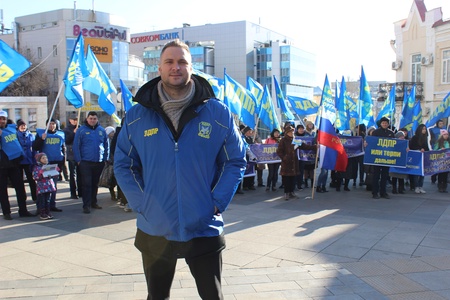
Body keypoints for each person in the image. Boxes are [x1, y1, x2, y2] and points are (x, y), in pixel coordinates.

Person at [113, 39, 246, 300]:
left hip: (204, 226)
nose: (176, 67)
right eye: (170, 62)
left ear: (191, 68)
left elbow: (235, 160)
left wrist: (217, 201)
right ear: (159, 69)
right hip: (155, 227)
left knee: (212, 296)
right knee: (157, 297)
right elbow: (124, 164)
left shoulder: (218, 113)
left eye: (182, 62)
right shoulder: (137, 116)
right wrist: (143, 203)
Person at [0, 111, 35, 220]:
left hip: (14, 164)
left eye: (4, 119)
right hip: (1, 166)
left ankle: (23, 210)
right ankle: (6, 212)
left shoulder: (11, 130)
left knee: (20, 188)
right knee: (2, 191)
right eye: (0, 119)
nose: (2, 121)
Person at [73, 111, 108, 214]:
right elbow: (76, 146)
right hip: (85, 162)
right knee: (87, 184)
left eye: (94, 119)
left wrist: (105, 158)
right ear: (87, 119)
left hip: (99, 162)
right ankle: (86, 205)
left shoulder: (101, 130)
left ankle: (93, 202)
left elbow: (106, 145)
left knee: (95, 183)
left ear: (97, 119)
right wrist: (78, 160)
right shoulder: (81, 130)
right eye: (91, 118)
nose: (92, 120)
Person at [33, 118, 65, 212]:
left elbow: (63, 148)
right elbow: (35, 147)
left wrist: (62, 162)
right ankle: (40, 207)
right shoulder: (41, 134)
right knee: (43, 186)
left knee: (53, 185)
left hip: (55, 162)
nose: (52, 125)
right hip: (45, 163)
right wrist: (41, 139)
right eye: (50, 124)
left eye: (53, 124)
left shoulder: (60, 134)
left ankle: (52, 205)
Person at [277, 125, 316, 200]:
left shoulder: (295, 140)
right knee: (286, 179)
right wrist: (285, 158)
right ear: (287, 133)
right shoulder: (283, 140)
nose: (292, 133)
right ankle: (286, 193)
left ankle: (292, 192)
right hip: (286, 163)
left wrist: (314, 147)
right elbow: (279, 151)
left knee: (293, 179)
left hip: (294, 163)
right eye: (290, 132)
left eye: (292, 131)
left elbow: (305, 146)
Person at [370, 117, 394, 199]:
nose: (385, 124)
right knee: (376, 176)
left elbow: (396, 144)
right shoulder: (376, 132)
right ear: (380, 124)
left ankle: (383, 192)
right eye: (383, 123)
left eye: (386, 123)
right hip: (377, 158)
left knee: (385, 176)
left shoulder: (391, 133)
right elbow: (371, 142)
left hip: (387, 158)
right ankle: (375, 192)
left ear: (388, 124)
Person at [16, 119, 37, 202]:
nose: (23, 127)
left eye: (24, 125)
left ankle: (35, 197)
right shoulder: (16, 136)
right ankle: (22, 198)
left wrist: (35, 158)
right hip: (19, 160)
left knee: (31, 179)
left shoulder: (31, 135)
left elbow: (34, 147)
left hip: (29, 159)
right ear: (18, 127)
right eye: (21, 126)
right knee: (20, 181)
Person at [33, 153, 58, 220]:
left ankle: (48, 212)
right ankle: (42, 213)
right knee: (42, 201)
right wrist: (40, 174)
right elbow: (35, 177)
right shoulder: (37, 168)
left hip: (49, 187)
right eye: (43, 158)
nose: (45, 159)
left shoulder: (49, 166)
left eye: (46, 158)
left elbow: (53, 175)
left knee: (48, 200)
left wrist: (55, 171)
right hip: (42, 188)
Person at [63, 113, 82, 199]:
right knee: (72, 175)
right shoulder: (66, 130)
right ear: (70, 120)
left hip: (81, 154)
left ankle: (81, 191)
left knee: (80, 174)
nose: (75, 121)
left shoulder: (81, 128)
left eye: (76, 120)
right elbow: (67, 141)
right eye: (74, 120)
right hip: (71, 154)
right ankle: (73, 192)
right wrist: (74, 133)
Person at [409, 124, 429, 194]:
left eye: (425, 129)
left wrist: (426, 150)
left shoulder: (425, 138)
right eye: (423, 129)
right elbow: (411, 146)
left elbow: (427, 147)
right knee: (416, 173)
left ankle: (421, 186)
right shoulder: (415, 137)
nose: (424, 130)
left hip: (423, 157)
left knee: (422, 173)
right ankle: (416, 186)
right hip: (416, 157)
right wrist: (419, 149)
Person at [104, 126, 117, 201]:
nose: (113, 133)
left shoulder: (114, 140)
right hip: (109, 162)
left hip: (114, 161)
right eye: (112, 132)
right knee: (110, 178)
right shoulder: (106, 140)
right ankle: (112, 194)